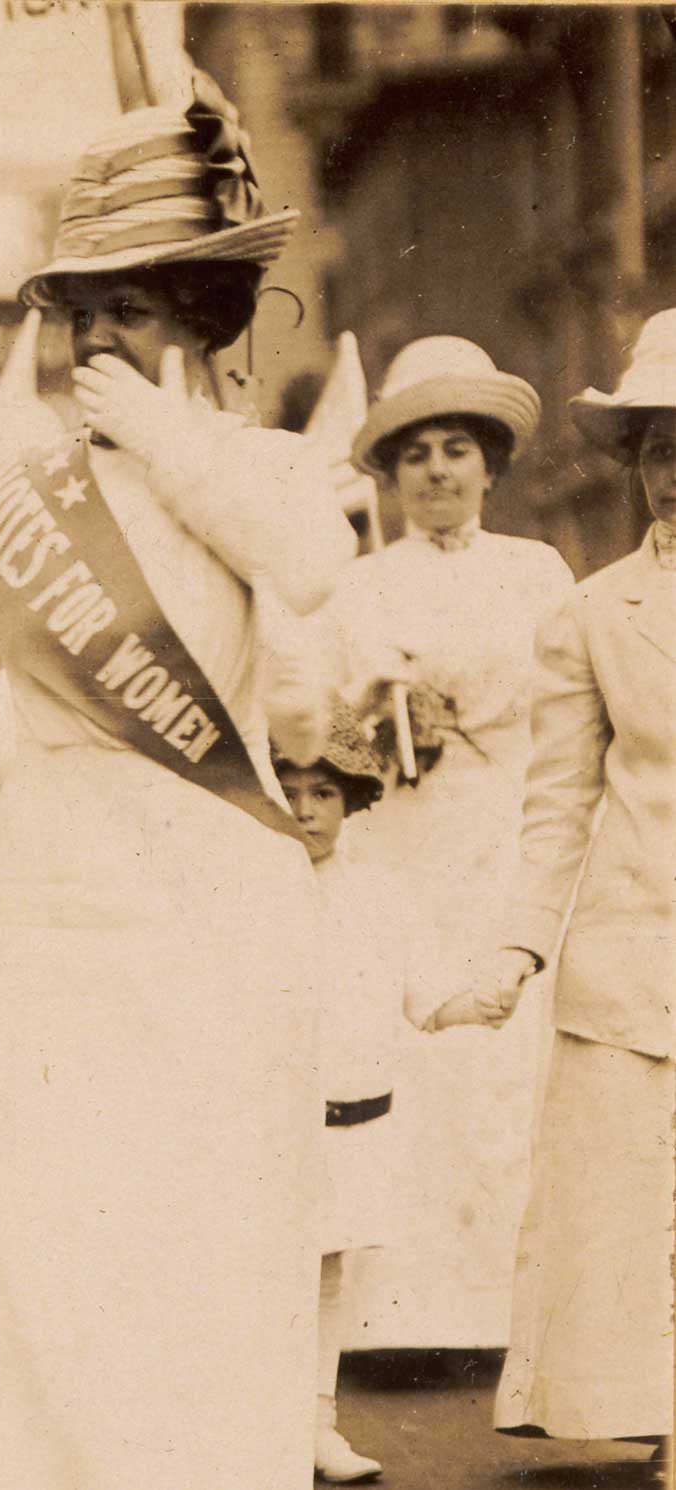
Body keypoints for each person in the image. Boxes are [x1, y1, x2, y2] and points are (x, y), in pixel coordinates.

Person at [0, 77, 355, 1489]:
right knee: (57, 1238)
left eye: (127, 308)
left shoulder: (250, 466)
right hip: (58, 897)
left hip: (215, 896)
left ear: (196, 315)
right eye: (80, 311)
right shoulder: (17, 492)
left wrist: (168, 436)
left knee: (210, 1233)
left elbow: (312, 569)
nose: (94, 338)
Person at [426, 308, 676, 1456]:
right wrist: (515, 951)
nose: (671, 470)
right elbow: (557, 806)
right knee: (629, 1218)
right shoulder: (590, 613)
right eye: (655, 444)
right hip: (630, 952)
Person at [324, 335, 577, 1350]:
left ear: (489, 464)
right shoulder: (357, 585)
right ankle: (405, 1314)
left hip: (510, 830)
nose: (435, 471)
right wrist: (379, 714)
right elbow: (327, 730)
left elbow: (572, 709)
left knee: (512, 1060)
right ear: (388, 471)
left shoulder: (539, 570)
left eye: (455, 450)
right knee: (416, 1048)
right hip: (403, 839)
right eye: (415, 452)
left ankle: (514, 1309)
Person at [274, 709, 418, 1484]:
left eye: (323, 792)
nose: (304, 810)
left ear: (352, 800)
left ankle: (315, 1423)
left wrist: (478, 993)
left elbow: (415, 990)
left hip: (344, 1115)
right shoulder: (248, 886)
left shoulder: (375, 891)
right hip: (263, 1121)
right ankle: (247, 1423)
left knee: (327, 1268)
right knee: (261, 1269)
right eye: (288, 790)